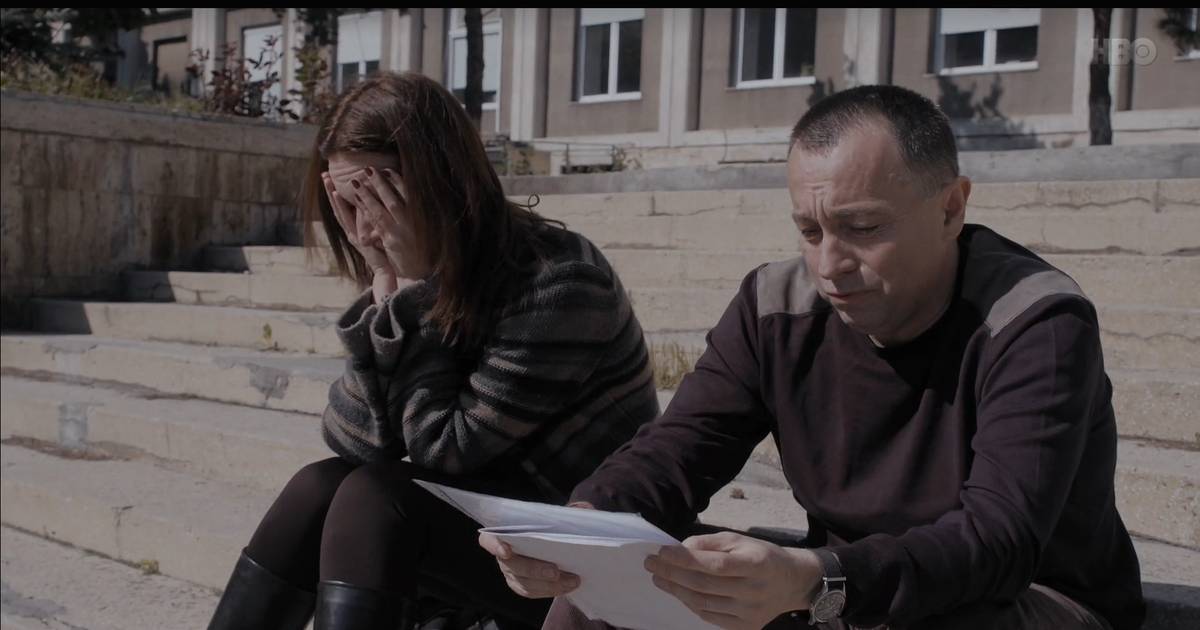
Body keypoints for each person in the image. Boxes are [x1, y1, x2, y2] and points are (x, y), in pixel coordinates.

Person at [481, 84, 1145, 630]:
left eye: (863, 228)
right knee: (612, 586)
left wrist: (816, 579)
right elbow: (677, 451)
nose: (830, 265)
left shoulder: (1035, 322)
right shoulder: (775, 305)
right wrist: (581, 530)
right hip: (837, 590)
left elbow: (998, 541)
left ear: (950, 209)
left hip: (1023, 599)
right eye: (809, 230)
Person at [205, 71, 660, 630]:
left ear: (440, 179)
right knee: (319, 484)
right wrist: (386, 294)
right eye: (348, 201)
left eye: (378, 195)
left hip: (572, 557)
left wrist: (416, 289)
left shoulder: (559, 282)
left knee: (378, 497)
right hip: (492, 526)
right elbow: (355, 441)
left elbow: (445, 451)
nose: (366, 226)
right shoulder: (423, 273)